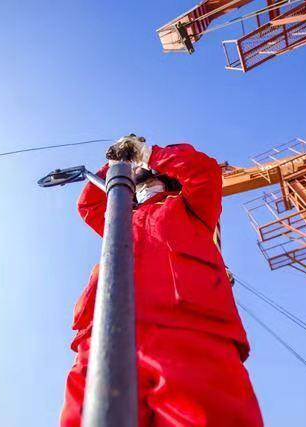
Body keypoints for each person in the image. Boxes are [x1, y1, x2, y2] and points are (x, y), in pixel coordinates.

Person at [60, 135, 263, 426]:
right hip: (102, 332)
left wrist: (148, 154)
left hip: (187, 329)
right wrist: (116, 164)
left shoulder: (191, 208)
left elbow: (202, 170)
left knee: (203, 415)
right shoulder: (121, 218)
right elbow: (89, 203)